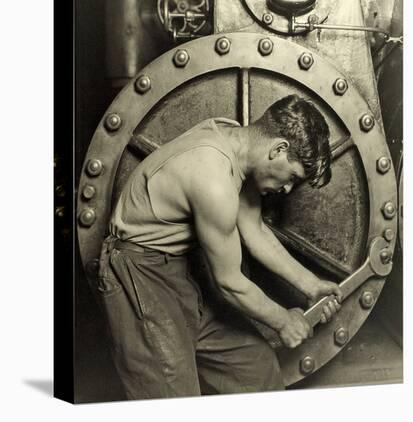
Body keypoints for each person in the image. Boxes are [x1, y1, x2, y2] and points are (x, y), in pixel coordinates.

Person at [97, 94, 342, 400]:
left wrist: (313, 285)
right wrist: (283, 321)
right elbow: (229, 282)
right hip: (139, 274)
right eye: (292, 176)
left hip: (179, 270)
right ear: (279, 148)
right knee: (174, 396)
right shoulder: (213, 179)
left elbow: (254, 229)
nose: (288, 189)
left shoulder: (233, 138)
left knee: (256, 368)